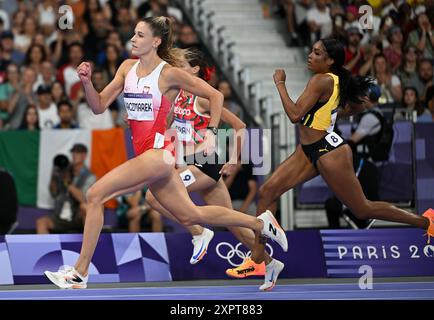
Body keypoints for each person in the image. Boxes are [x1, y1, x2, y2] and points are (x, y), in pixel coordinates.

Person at [44, 16, 287, 290]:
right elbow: (99, 107)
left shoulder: (169, 74)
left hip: (160, 155)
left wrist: (210, 133)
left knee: (94, 194)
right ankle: (260, 223)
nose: (133, 39)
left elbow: (216, 97)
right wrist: (87, 83)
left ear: (156, 42)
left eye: (139, 35)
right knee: (192, 215)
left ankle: (80, 272)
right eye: (133, 34)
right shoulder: (126, 68)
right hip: (157, 158)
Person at [227, 38, 434, 291]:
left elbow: (294, 116)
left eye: (317, 53)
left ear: (330, 61)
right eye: (312, 51)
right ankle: (260, 261)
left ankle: (426, 222)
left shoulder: (322, 80)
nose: (310, 56)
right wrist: (334, 115)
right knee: (267, 191)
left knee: (363, 209)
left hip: (329, 152)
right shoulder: (335, 80)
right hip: (308, 150)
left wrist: (280, 83)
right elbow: (348, 108)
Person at [144, 47, 274, 274]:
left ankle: (199, 232)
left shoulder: (203, 98)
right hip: (189, 164)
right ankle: (271, 264)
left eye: (181, 64)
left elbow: (240, 127)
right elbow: (164, 126)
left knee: (153, 196)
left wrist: (233, 159)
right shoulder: (176, 95)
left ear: (194, 70)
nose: (175, 68)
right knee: (233, 225)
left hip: (205, 163)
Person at [36, 144, 96, 234]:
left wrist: (68, 183)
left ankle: (91, 244)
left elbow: (83, 198)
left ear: (84, 155)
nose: (74, 155)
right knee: (41, 222)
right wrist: (54, 175)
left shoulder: (89, 177)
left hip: (77, 216)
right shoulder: (65, 170)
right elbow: (54, 193)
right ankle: (47, 248)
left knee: (85, 207)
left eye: (78, 153)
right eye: (73, 152)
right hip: (60, 215)